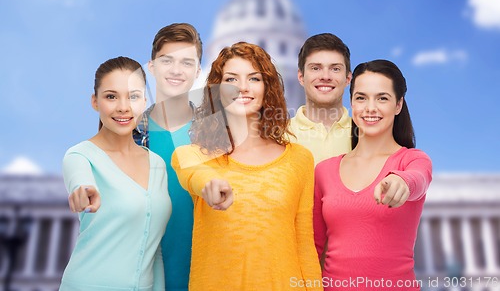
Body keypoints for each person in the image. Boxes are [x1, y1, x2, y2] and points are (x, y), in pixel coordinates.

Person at [172, 42, 323, 291]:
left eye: (254, 78)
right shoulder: (192, 156)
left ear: (267, 88)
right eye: (231, 79)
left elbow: (304, 244)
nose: (243, 87)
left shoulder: (299, 159)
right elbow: (196, 176)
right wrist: (210, 184)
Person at [313, 59, 432, 291]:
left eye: (382, 98)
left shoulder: (412, 161)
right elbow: (314, 246)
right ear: (351, 103)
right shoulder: (324, 171)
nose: (370, 108)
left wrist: (401, 181)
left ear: (398, 105)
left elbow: (419, 179)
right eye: (361, 97)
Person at [61, 56, 171, 291]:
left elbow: (154, 249)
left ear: (144, 101)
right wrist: (83, 191)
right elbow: (80, 182)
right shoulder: (79, 156)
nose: (123, 107)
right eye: (111, 96)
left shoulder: (158, 165)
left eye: (133, 96)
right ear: (95, 101)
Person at [133, 23, 203, 291]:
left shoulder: (217, 135)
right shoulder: (129, 132)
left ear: (197, 72)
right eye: (167, 61)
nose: (176, 70)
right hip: (143, 278)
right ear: (151, 66)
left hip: (204, 276)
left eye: (186, 62)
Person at [288, 33, 352, 165]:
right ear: (301, 77)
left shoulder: (366, 134)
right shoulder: (279, 136)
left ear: (348, 79)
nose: (325, 76)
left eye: (335, 69)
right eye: (316, 68)